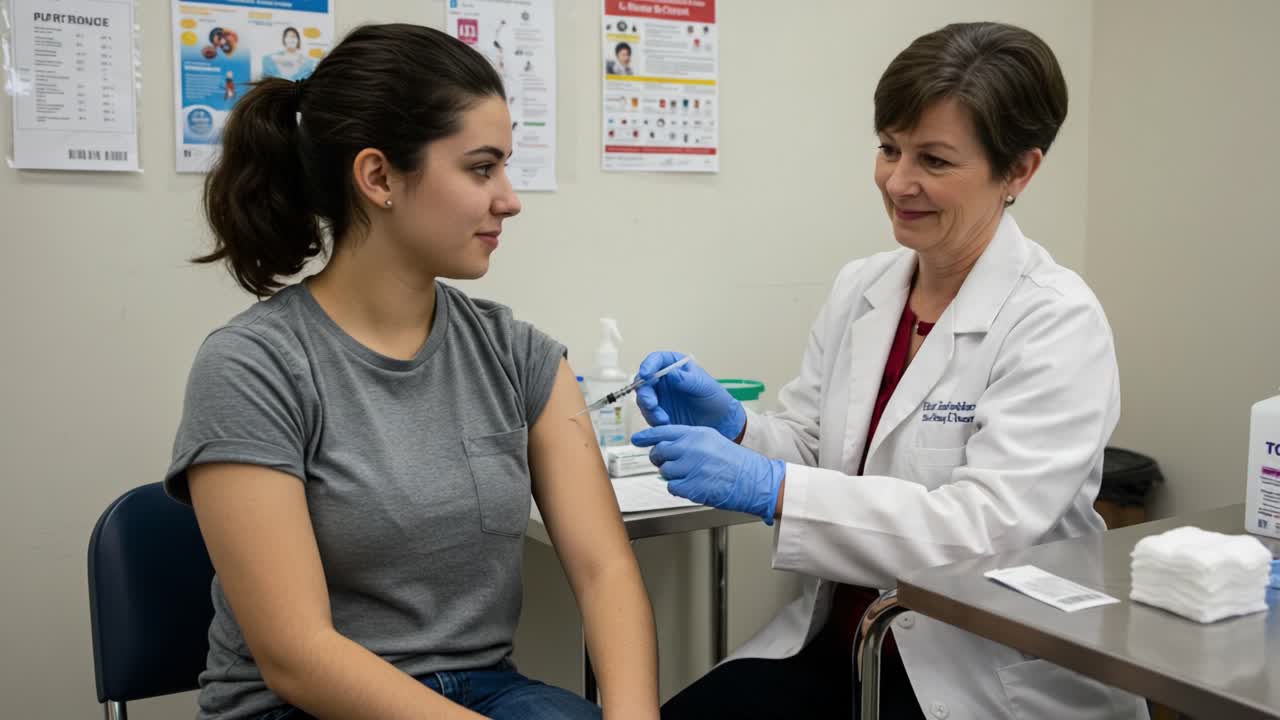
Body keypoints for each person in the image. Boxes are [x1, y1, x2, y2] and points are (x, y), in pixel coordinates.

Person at [631, 22, 1148, 720]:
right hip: (842, 648)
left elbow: (980, 532)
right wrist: (740, 431)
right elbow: (819, 453)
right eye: (889, 148)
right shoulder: (864, 288)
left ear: (1019, 171)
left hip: (977, 673)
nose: (898, 182)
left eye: (933, 160)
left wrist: (773, 487)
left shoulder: (1057, 322)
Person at [168, 24, 659, 720]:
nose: (510, 198)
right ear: (378, 178)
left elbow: (604, 568)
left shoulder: (521, 356)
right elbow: (297, 656)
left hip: (486, 691)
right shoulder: (254, 368)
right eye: (481, 168)